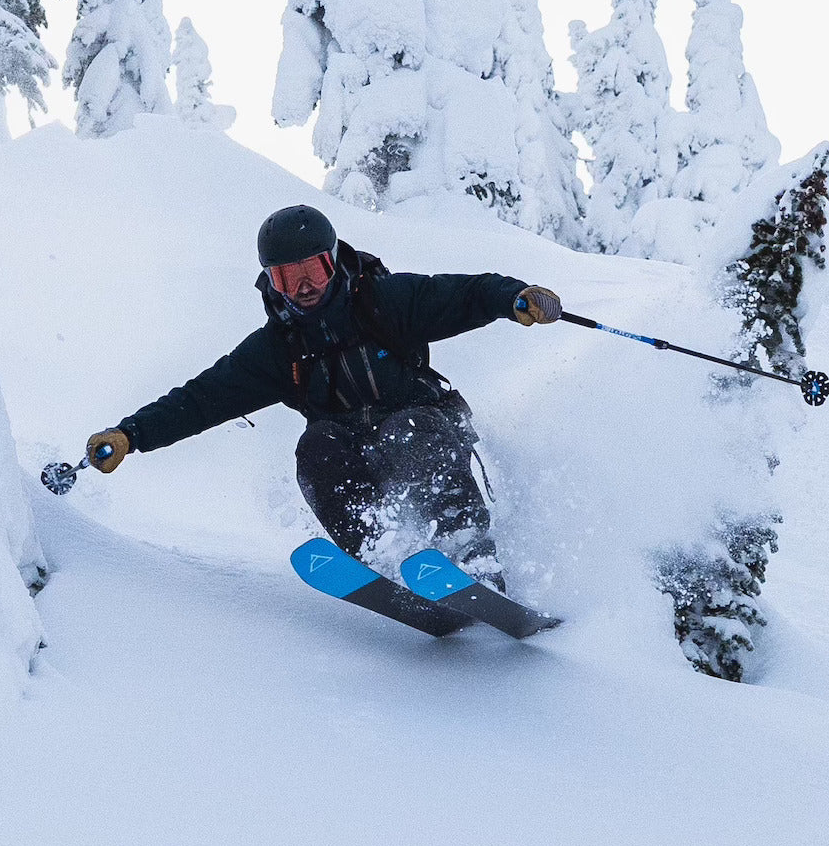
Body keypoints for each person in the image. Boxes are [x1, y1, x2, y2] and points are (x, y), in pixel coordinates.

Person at [85, 204, 562, 591]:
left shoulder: (385, 300)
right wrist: (132, 434)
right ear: (271, 283)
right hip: (354, 448)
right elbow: (202, 398)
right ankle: (381, 556)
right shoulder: (278, 349)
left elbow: (465, 295)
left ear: (333, 262)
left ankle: (473, 559)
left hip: (427, 425)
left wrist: (516, 298)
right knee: (316, 448)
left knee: (405, 430)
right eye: (287, 279)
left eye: (312, 270)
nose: (305, 288)